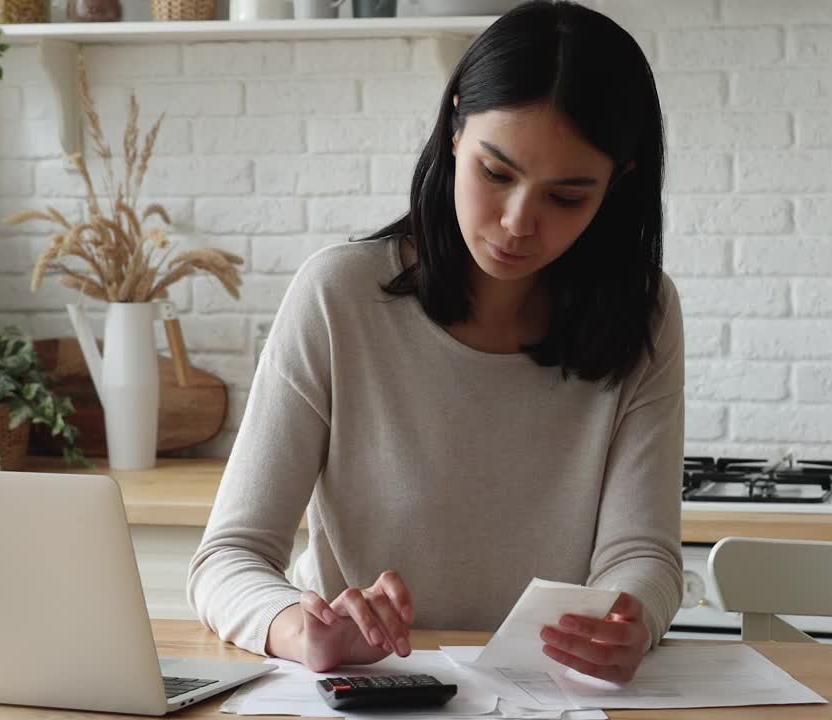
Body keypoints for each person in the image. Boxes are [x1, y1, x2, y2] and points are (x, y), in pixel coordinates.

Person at [188, 0, 684, 683]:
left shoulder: (644, 313)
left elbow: (644, 554)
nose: (516, 223)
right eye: (496, 173)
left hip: (550, 699)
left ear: (617, 185)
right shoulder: (339, 296)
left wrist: (632, 618)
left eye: (566, 197)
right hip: (374, 696)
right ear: (455, 129)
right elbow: (228, 558)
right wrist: (303, 631)